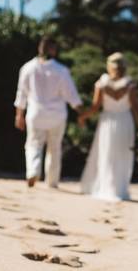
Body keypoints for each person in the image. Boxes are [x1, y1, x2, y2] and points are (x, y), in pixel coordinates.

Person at [13, 37, 84, 188]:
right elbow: (72, 95)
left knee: (33, 144)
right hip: (57, 115)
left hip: (36, 112)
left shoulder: (27, 68)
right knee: (55, 148)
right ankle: (52, 181)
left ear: (40, 48)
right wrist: (81, 112)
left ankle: (33, 171)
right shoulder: (61, 70)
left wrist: (19, 114)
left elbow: (21, 94)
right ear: (53, 49)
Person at [78, 53, 138, 201]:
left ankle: (105, 187)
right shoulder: (129, 85)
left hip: (107, 122)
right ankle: (118, 189)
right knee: (122, 155)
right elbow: (136, 109)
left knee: (105, 154)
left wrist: (83, 116)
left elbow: (95, 107)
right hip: (124, 122)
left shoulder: (102, 84)